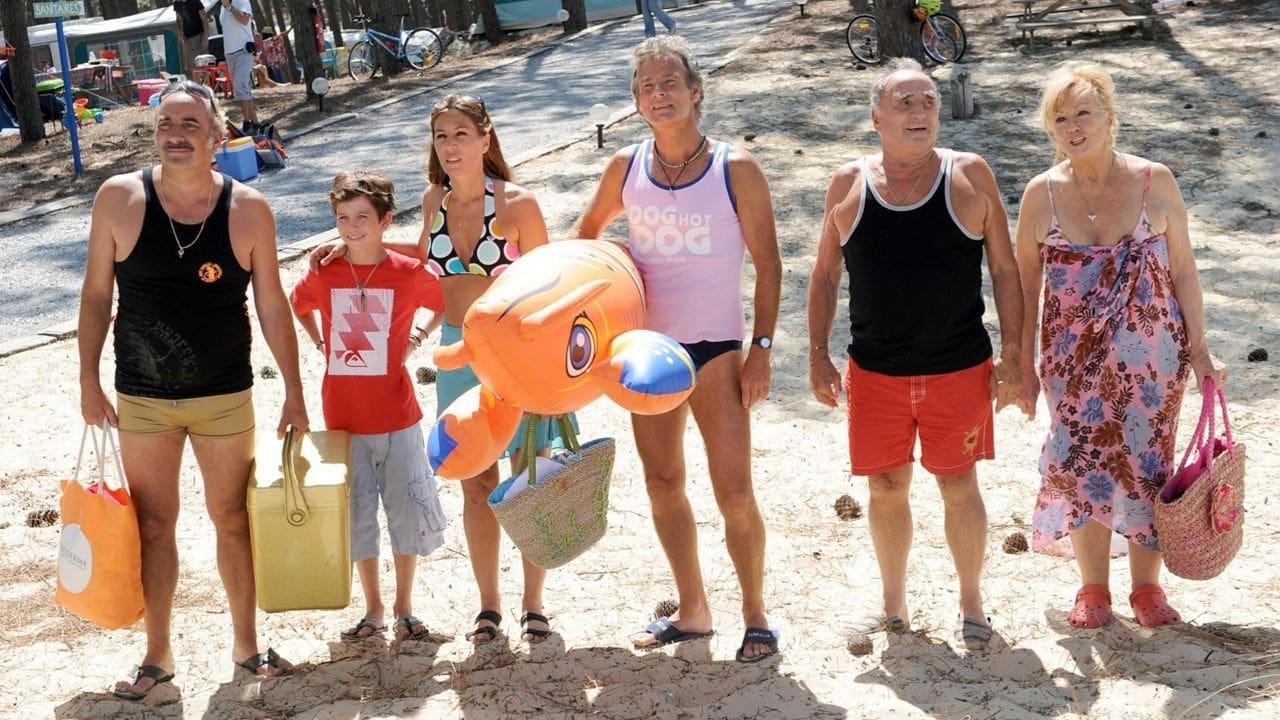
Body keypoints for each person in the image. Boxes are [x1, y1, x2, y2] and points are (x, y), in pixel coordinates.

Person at [310, 94, 576, 646]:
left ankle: (533, 604)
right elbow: (423, 258)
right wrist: (349, 243)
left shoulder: (519, 204)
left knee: (529, 478)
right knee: (476, 483)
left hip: (517, 354)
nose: (450, 146)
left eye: (460, 134)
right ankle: (489, 606)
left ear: (485, 138)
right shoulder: (435, 199)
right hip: (458, 354)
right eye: (441, 136)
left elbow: (552, 283)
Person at [77, 80, 308, 700]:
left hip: (224, 394)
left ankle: (247, 646)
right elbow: (96, 295)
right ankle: (157, 656)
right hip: (142, 397)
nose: (175, 135)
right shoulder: (118, 198)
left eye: (189, 125)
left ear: (217, 136)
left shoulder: (249, 209)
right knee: (154, 524)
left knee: (232, 517)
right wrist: (87, 379)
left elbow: (272, 304)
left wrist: (294, 390)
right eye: (166, 124)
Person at [571, 36, 782, 663]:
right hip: (646, 351)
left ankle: (756, 616)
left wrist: (761, 350)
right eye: (646, 87)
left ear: (695, 91)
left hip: (718, 348)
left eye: (669, 83)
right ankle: (693, 611)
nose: (658, 95)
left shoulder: (735, 167)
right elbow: (586, 239)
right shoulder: (626, 166)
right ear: (637, 101)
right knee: (663, 483)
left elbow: (770, 265)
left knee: (734, 491)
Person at [806, 58, 1024, 654]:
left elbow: (1005, 270)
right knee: (885, 486)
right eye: (903, 102)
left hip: (959, 366)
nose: (919, 110)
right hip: (875, 371)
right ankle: (892, 606)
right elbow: (824, 275)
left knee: (958, 484)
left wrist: (1014, 357)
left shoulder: (969, 174)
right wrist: (817, 355)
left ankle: (971, 604)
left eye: (928, 100)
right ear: (876, 117)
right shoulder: (847, 183)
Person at [1014, 61, 1226, 629]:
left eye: (1084, 113)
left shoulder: (1155, 180)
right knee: (1080, 461)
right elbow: (1023, 287)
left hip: (1154, 357)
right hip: (1070, 359)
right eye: (1061, 118)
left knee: (1147, 463)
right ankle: (1092, 589)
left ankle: (1146, 589)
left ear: (1110, 118)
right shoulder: (1040, 194)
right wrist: (1020, 363)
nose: (1073, 127)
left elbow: (1184, 270)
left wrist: (1201, 350)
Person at [291, 171, 448, 643]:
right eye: (343, 218)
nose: (352, 227)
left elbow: (443, 301)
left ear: (385, 220)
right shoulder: (325, 272)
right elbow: (299, 303)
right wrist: (320, 343)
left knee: (405, 510)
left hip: (398, 416)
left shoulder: (407, 273)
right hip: (342, 418)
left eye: (363, 217)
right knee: (358, 513)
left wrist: (417, 337)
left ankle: (404, 606)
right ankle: (373, 607)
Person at [217, 0, 260, 134]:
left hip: (243, 50)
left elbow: (245, 20)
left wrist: (229, 7)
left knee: (240, 85)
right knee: (242, 89)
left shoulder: (240, 1)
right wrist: (226, 6)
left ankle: (247, 123)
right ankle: (256, 124)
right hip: (229, 53)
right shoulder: (222, 7)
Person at [171, 0, 209, 77]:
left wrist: (206, 37)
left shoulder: (195, 1)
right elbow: (178, 20)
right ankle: (196, 85)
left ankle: (206, 84)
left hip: (199, 36)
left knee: (203, 65)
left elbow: (204, 18)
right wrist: (179, 32)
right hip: (187, 39)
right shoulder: (177, 3)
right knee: (193, 67)